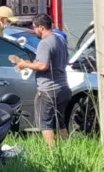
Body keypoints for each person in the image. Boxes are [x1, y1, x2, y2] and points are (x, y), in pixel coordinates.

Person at [13, 14, 69, 146]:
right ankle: (66, 148)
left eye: (35, 27)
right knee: (60, 121)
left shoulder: (44, 43)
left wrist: (24, 65)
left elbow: (43, 66)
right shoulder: (60, 40)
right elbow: (63, 60)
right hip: (63, 88)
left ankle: (51, 152)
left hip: (48, 89)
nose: (34, 30)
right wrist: (33, 63)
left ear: (41, 27)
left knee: (45, 123)